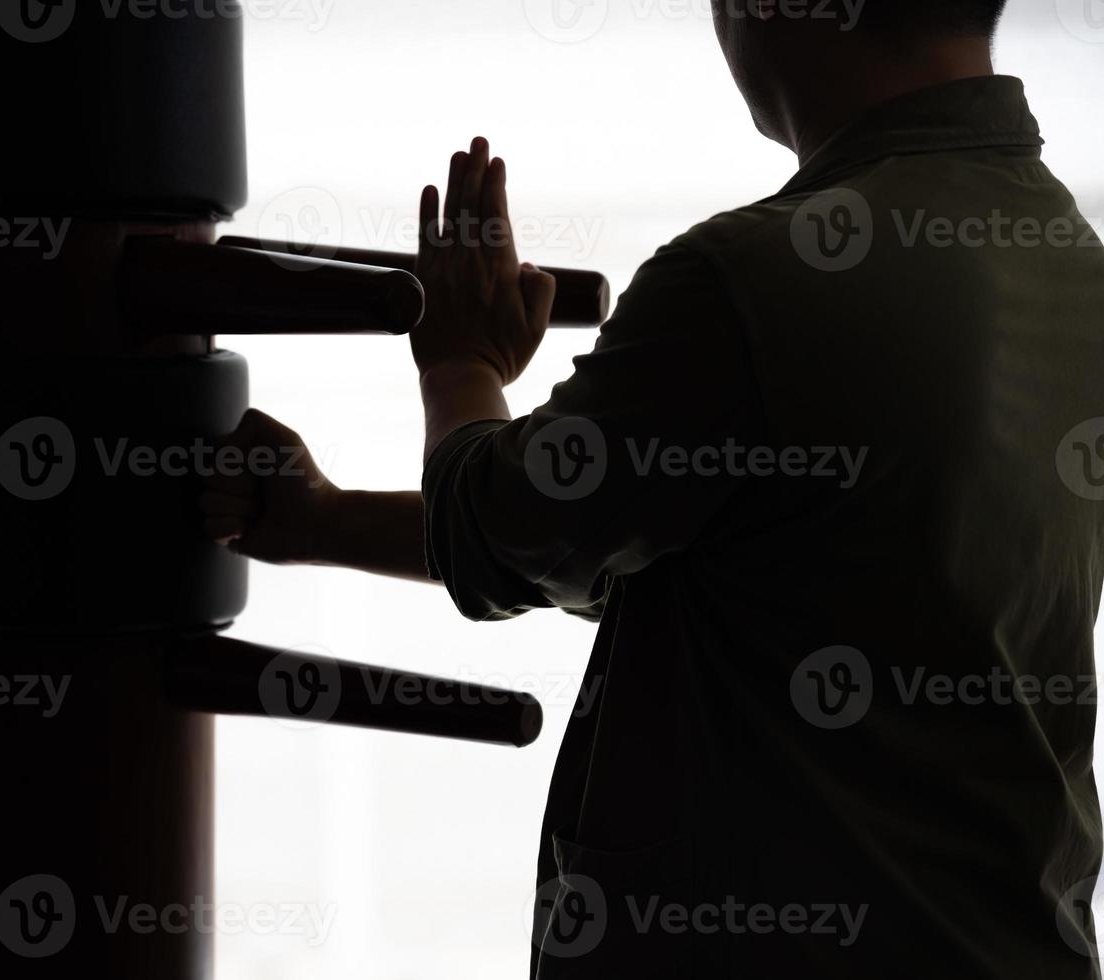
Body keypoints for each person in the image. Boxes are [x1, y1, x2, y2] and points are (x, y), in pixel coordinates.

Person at [200, 1, 1104, 974]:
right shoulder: (1073, 267)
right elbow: (713, 557)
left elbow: (503, 533)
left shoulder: (752, 277)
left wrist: (461, 361)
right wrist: (319, 518)